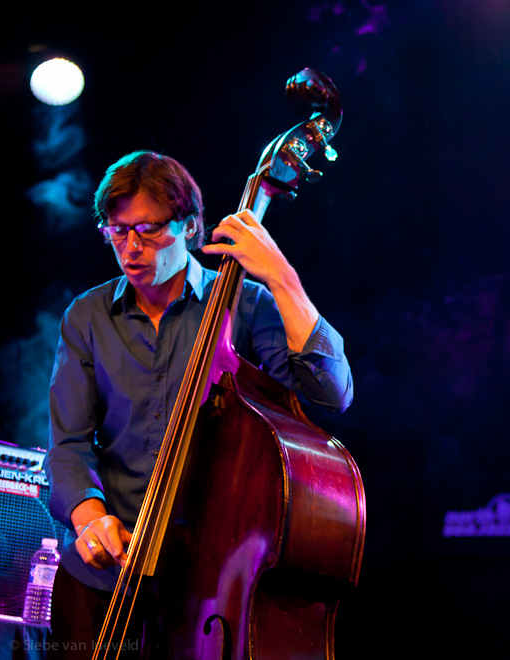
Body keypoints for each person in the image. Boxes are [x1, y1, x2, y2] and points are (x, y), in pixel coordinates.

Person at [43, 150, 353, 656]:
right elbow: (68, 445)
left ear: (190, 227)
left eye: (148, 229)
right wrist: (89, 516)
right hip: (104, 579)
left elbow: (331, 394)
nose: (131, 247)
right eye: (117, 231)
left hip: (213, 582)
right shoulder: (87, 316)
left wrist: (282, 277)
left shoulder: (248, 307)